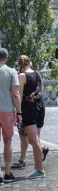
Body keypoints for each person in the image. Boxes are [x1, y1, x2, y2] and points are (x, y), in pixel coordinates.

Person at [18, 55, 47, 179]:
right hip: (40, 107)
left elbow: (19, 95)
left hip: (29, 109)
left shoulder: (22, 76)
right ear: (30, 63)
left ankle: (40, 169)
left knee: (34, 141)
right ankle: (38, 166)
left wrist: (18, 113)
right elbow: (41, 91)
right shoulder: (37, 74)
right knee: (35, 140)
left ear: (20, 64)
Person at [0, 48, 22, 183]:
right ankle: (7, 172)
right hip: (7, 111)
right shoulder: (11, 72)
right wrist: (19, 112)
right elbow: (15, 94)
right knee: (7, 141)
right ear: (7, 58)